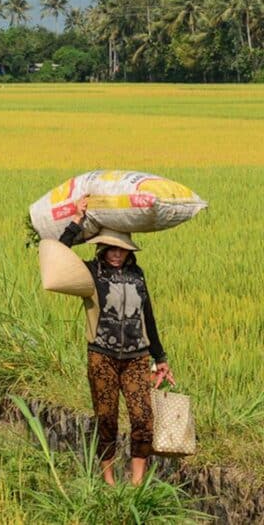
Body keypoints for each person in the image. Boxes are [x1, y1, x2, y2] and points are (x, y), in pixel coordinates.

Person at [59, 196, 174, 485]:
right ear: (101, 248)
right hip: (103, 357)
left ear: (128, 251)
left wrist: (160, 359)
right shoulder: (91, 273)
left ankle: (136, 484)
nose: (115, 254)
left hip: (137, 358)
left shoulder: (138, 275)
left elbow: (147, 316)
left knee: (143, 419)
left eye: (121, 249)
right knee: (106, 418)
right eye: (110, 248)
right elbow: (58, 254)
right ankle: (108, 480)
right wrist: (76, 220)